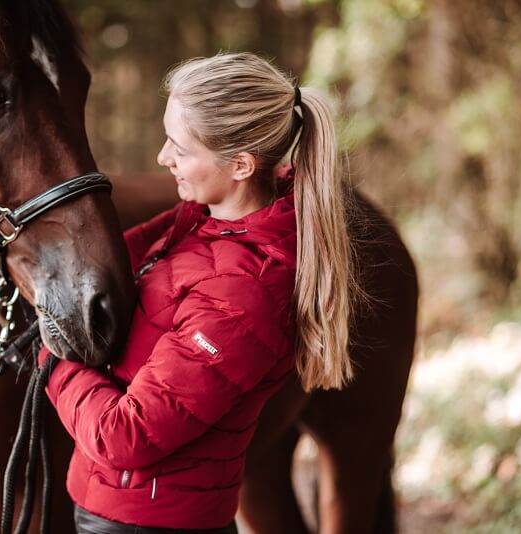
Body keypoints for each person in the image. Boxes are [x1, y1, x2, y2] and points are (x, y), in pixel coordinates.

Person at [39, 51, 357, 533]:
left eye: (180, 148)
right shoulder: (201, 222)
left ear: (242, 165)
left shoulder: (243, 296)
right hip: (117, 511)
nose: (163, 158)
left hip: (148, 525)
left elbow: (124, 436)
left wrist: (53, 356)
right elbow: (113, 265)